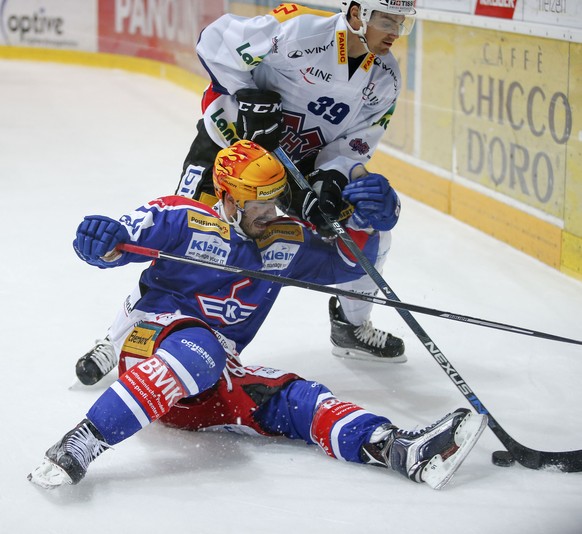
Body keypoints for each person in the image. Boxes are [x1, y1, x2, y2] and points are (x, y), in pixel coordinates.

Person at [29, 141, 487, 491]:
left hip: (207, 378)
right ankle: (81, 441)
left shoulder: (284, 239)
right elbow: (120, 240)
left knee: (296, 397)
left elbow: (349, 264)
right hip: (146, 348)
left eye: (275, 200)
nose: (271, 214)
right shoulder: (181, 218)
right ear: (227, 198)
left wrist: (374, 219)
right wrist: (101, 240)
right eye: (258, 205)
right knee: (202, 349)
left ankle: (398, 449)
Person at [75, 1, 416, 386]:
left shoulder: (387, 77)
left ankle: (353, 325)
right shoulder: (300, 30)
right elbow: (215, 41)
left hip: (294, 167)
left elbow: (355, 144)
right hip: (229, 147)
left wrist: (330, 180)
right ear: (357, 14)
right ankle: (118, 337)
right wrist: (247, 93)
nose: (395, 31)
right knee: (187, 244)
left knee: (368, 225)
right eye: (387, 19)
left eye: (402, 22)